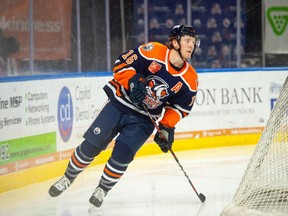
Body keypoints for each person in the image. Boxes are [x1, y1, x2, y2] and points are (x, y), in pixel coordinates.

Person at [48, 24, 200, 209]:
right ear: (175, 42)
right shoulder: (153, 51)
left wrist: (167, 127)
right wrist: (133, 80)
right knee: (91, 146)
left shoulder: (190, 79)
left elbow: (181, 107)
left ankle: (102, 189)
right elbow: (122, 63)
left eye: (193, 42)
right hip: (119, 105)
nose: (191, 45)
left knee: (122, 156)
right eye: (187, 41)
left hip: (144, 119)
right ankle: (67, 177)